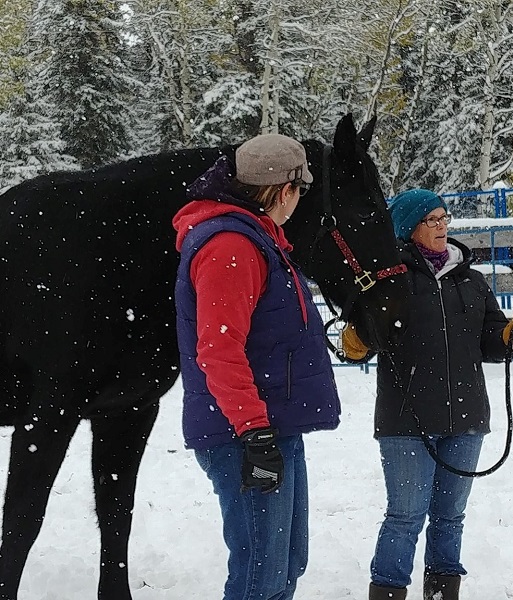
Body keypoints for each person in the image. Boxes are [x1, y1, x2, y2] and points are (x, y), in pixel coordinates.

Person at [172, 134, 341, 600]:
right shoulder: (231, 246)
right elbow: (219, 351)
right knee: (259, 573)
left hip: (271, 426)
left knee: (286, 561)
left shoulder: (259, 240)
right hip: (245, 434)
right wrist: (253, 430)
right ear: (283, 189)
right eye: (299, 191)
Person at [366, 188, 513, 600]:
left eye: (444, 217)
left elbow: (493, 344)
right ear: (410, 229)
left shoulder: (472, 281)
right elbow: (364, 338)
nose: (442, 226)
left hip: (465, 420)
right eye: (432, 220)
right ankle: (389, 590)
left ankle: (443, 591)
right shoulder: (389, 281)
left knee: (450, 517)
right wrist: (356, 339)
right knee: (405, 516)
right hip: (406, 422)